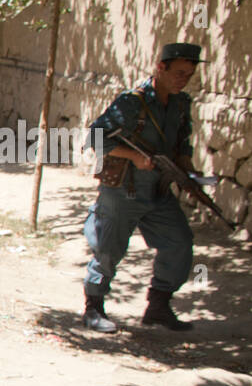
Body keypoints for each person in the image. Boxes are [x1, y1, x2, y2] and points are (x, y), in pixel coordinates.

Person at [80, 42, 204, 333]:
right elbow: (95, 140)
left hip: (158, 191)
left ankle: (158, 306)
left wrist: (188, 173)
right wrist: (135, 156)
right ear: (160, 68)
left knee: (180, 242)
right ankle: (94, 308)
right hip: (124, 189)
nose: (183, 80)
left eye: (189, 75)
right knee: (108, 249)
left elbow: (182, 144)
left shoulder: (180, 104)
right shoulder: (132, 102)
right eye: (178, 73)